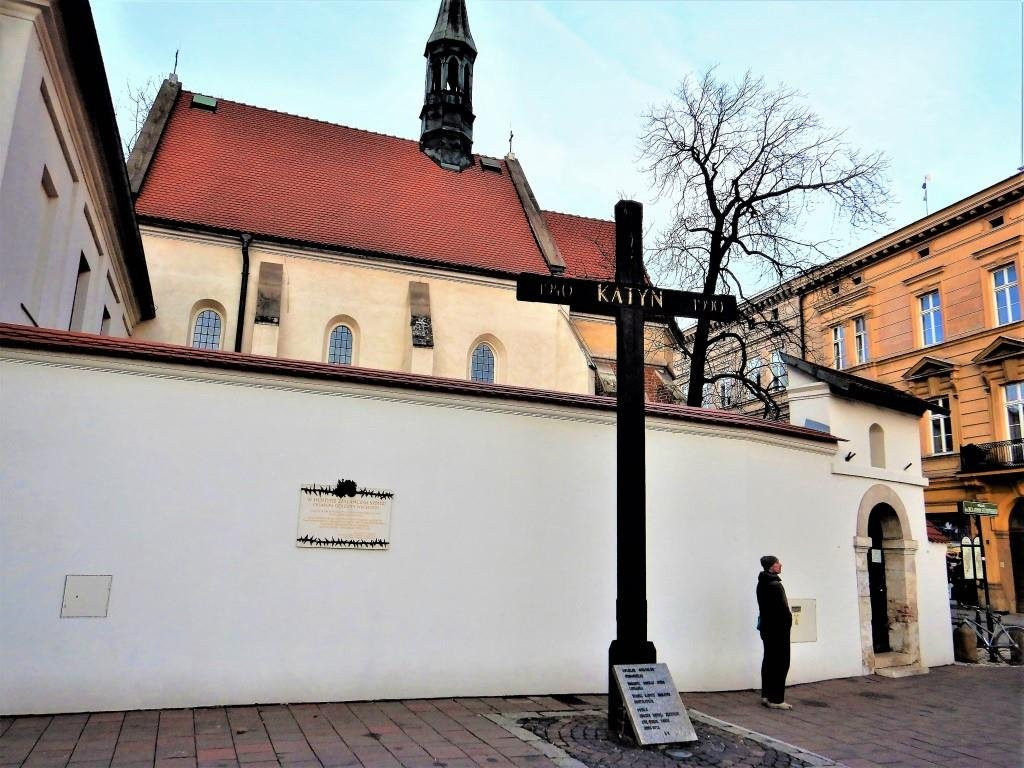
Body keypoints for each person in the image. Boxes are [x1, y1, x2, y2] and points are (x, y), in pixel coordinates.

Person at [756, 554, 793, 709]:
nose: (780, 565)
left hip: (767, 627)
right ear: (772, 566)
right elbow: (783, 611)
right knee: (781, 662)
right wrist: (788, 622)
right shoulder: (775, 585)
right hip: (778, 629)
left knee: (769, 660)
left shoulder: (762, 583)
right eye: (778, 563)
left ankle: (766, 695)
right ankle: (776, 699)